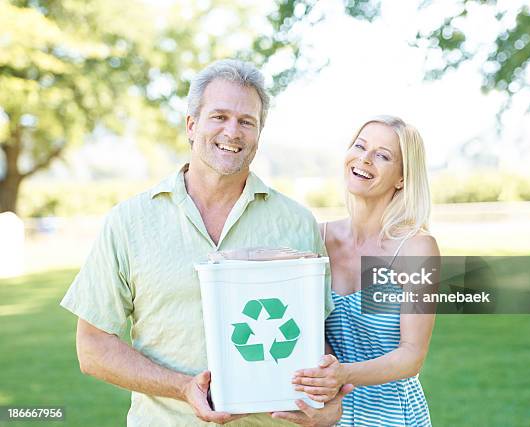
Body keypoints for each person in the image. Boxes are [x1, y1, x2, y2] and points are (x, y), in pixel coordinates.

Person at [60, 59, 349, 426]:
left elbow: (313, 336)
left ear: (259, 133)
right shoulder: (128, 222)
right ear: (192, 125)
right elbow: (93, 349)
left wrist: (324, 400)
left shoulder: (296, 222)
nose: (233, 132)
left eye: (247, 121)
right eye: (219, 117)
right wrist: (182, 386)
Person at [292, 115, 439, 426]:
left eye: (382, 155)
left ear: (402, 177)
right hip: (328, 415)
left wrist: (342, 374)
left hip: (394, 417)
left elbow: (412, 356)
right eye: (360, 146)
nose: (364, 158)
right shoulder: (315, 239)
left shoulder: (416, 249)